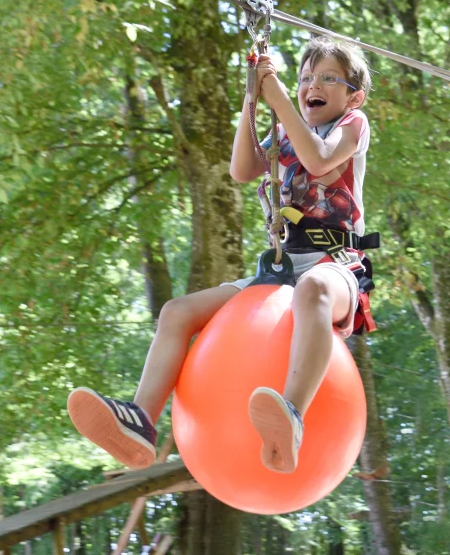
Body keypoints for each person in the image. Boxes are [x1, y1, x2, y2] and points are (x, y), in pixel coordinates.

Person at [67, 36, 372, 474]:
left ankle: (293, 414)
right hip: (283, 267)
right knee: (176, 311)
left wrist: (280, 98)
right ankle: (140, 421)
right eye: (305, 77)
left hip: (337, 262)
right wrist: (252, 100)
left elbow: (321, 160)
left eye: (327, 78)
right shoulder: (285, 131)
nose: (311, 85)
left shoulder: (353, 125)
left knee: (314, 292)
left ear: (353, 95)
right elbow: (242, 169)